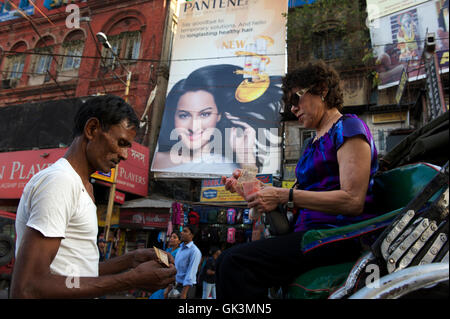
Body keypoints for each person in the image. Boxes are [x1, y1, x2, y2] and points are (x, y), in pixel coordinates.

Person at [216, 60, 379, 299]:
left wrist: (283, 195)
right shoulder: (311, 143)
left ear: (322, 89)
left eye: (296, 99)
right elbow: (299, 195)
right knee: (226, 261)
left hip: (339, 235)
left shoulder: (349, 127)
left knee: (234, 264)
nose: (292, 109)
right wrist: (259, 190)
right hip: (308, 235)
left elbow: (353, 200)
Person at [11, 95, 177, 298]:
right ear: (92, 129)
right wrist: (130, 280)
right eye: (121, 143)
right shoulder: (60, 182)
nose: (125, 155)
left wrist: (130, 260)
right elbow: (28, 287)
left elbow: (76, 275)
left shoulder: (83, 186)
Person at [152, 64, 282, 175]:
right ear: (173, 116)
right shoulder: (156, 160)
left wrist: (246, 157)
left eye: (204, 114)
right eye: (184, 115)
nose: (193, 127)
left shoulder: (228, 167)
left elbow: (251, 194)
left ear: (219, 116)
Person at [164, 225, 202, 299]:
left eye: (185, 231)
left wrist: (183, 294)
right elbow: (176, 270)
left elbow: (191, 273)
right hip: (175, 285)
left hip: (185, 288)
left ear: (191, 235)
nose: (181, 233)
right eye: (182, 231)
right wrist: (168, 288)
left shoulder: (194, 251)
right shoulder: (180, 249)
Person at [149, 230, 181, 299]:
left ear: (179, 241)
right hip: (162, 277)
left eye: (174, 237)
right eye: (171, 237)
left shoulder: (179, 252)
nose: (171, 238)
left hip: (169, 280)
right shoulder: (168, 250)